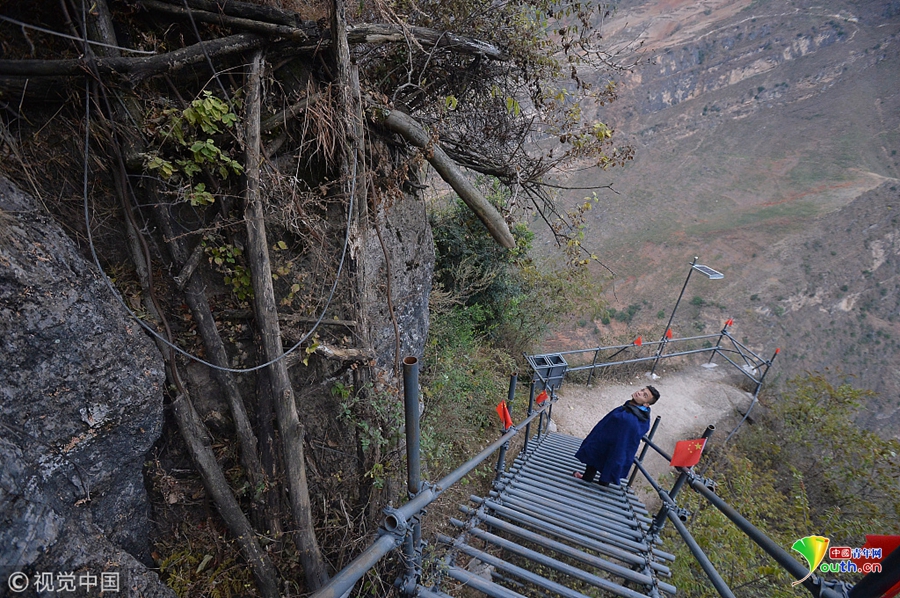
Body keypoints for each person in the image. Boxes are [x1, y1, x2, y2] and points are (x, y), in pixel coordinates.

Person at [573, 385, 660, 486]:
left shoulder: (632, 417)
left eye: (645, 395)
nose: (640, 393)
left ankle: (596, 482)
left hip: (614, 444)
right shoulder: (634, 410)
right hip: (611, 442)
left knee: (605, 454)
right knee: (605, 456)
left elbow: (624, 438)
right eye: (642, 390)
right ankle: (593, 480)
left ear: (646, 404)